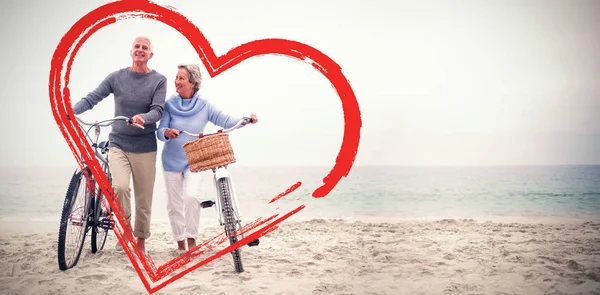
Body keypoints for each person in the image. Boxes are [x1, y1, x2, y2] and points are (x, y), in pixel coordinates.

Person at [71, 36, 167, 254]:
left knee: (144, 198)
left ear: (150, 55)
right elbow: (92, 97)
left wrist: (143, 117)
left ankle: (140, 240)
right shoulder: (116, 77)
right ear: (131, 51)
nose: (140, 50)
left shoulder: (158, 80)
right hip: (119, 143)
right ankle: (125, 230)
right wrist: (71, 110)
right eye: (137, 47)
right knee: (120, 187)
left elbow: (158, 110)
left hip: (145, 146)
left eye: (145, 48)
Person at [157, 64, 257, 251]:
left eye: (181, 78)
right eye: (176, 77)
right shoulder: (169, 105)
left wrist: (244, 120)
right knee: (174, 204)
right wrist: (167, 133)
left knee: (191, 197)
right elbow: (160, 130)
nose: (176, 82)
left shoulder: (204, 105)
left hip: (194, 161)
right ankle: (180, 243)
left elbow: (225, 120)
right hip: (170, 161)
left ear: (193, 83)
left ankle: (192, 240)